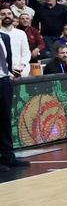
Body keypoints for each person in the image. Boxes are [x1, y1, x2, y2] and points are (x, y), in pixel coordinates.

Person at [0, 23, 30, 167]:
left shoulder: (4, 37)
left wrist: (10, 74)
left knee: (5, 120)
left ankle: (8, 156)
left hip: (4, 81)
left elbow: (8, 60)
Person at [0, 6, 31, 79]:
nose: (7, 16)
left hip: (21, 71)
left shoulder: (21, 33)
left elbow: (26, 53)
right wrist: (9, 70)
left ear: (12, 16)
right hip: (3, 74)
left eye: (9, 13)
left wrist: (20, 67)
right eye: (3, 14)